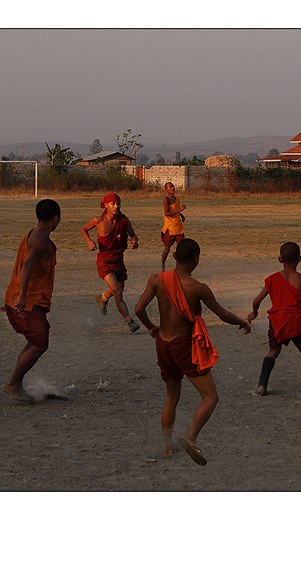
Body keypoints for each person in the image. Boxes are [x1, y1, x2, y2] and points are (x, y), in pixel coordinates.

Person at [134, 238, 250, 466]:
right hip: (183, 346)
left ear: (175, 257)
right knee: (210, 396)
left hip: (163, 344)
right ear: (197, 259)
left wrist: (151, 327)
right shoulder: (198, 288)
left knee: (172, 396)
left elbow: (139, 309)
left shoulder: (157, 279)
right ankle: (191, 436)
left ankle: (167, 445)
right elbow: (223, 315)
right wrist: (242, 322)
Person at [247, 242, 301, 398]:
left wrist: (254, 313)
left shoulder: (272, 279)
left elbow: (257, 300)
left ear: (279, 259)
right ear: (300, 259)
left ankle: (262, 386)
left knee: (273, 351)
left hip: (278, 322)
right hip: (298, 322)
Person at [0, 199, 61, 404]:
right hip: (27, 302)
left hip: (21, 299)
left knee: (35, 341)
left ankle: (17, 382)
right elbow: (26, 266)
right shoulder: (41, 239)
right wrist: (23, 296)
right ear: (56, 218)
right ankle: (14, 383)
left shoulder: (32, 234)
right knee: (39, 342)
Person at [81, 193, 141, 332]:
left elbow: (133, 234)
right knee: (118, 292)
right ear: (105, 205)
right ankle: (130, 321)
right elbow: (84, 229)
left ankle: (103, 297)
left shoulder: (124, 221)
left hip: (119, 261)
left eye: (118, 203)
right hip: (105, 261)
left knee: (118, 289)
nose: (116, 206)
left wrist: (135, 240)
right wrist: (89, 242)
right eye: (113, 203)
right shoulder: (98, 220)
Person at [160, 181, 186, 271]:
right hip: (170, 228)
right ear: (166, 190)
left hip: (178, 227)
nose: (173, 188)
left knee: (182, 248)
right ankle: (163, 265)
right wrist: (180, 210)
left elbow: (175, 211)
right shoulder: (166, 200)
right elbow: (167, 213)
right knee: (167, 249)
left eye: (173, 186)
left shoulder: (177, 199)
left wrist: (181, 215)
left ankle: (180, 267)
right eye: (170, 187)